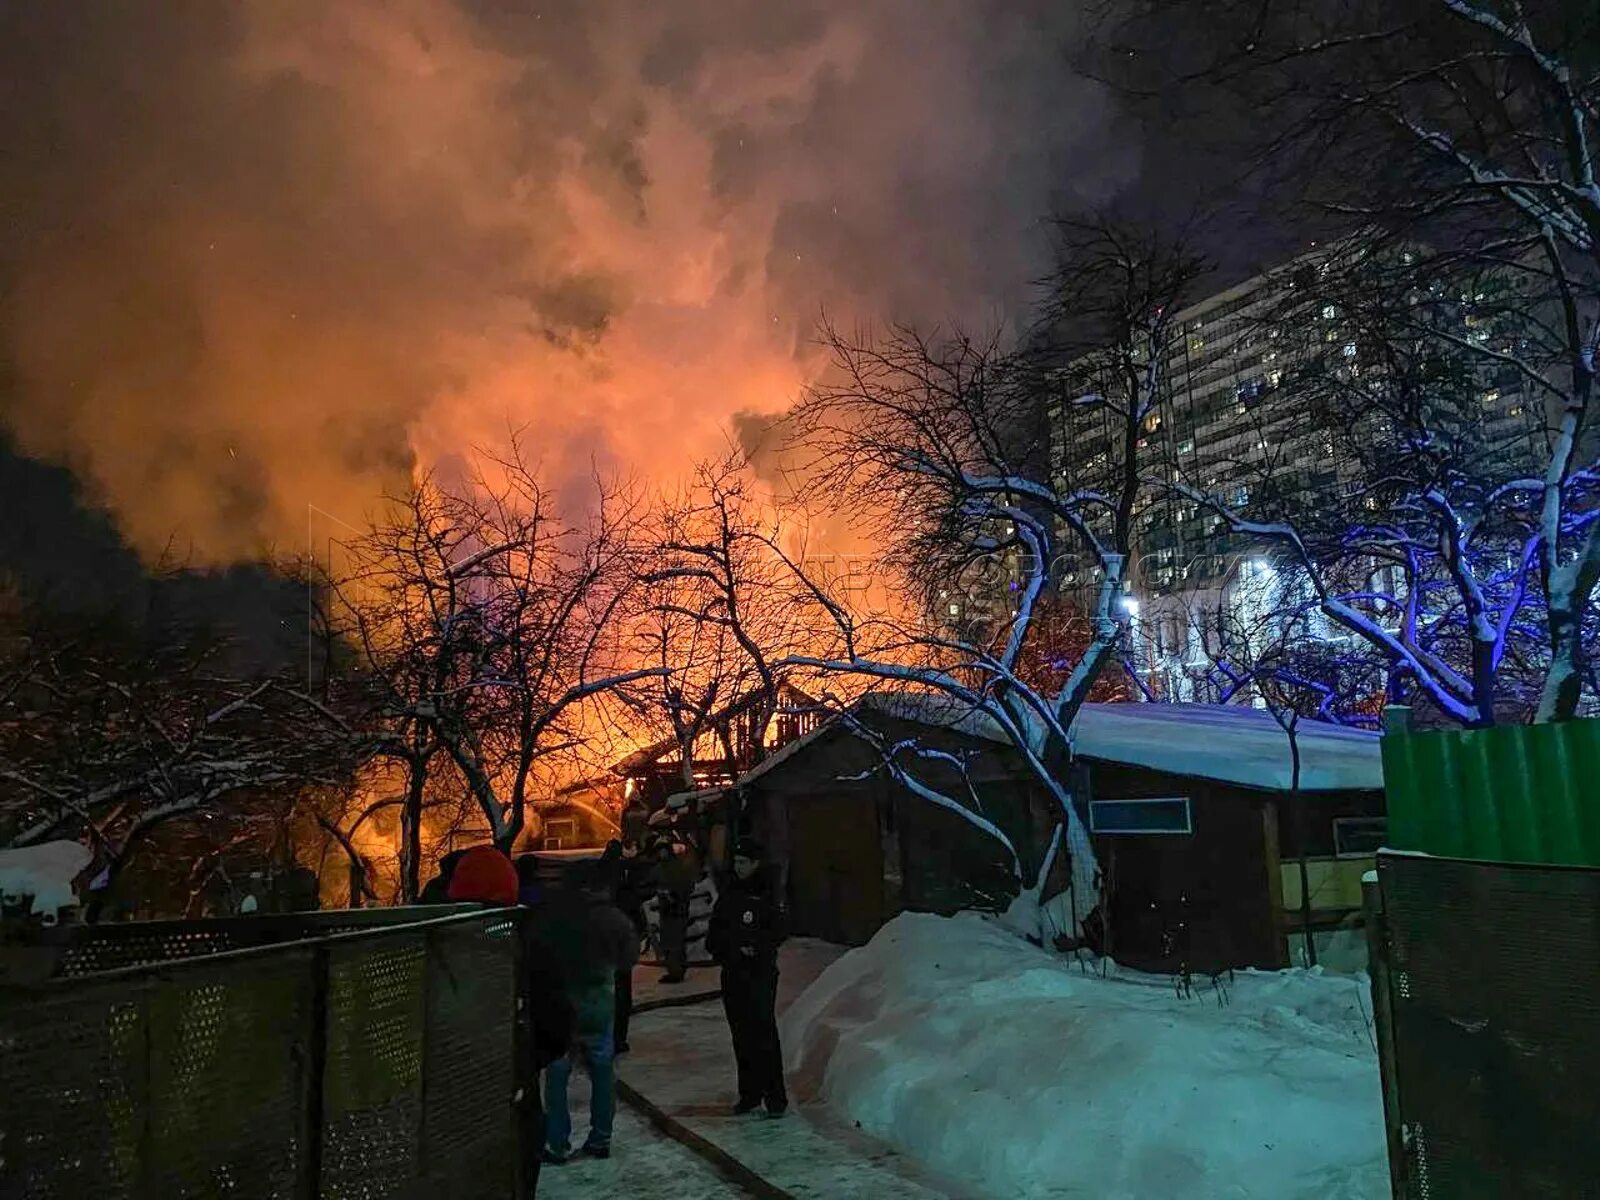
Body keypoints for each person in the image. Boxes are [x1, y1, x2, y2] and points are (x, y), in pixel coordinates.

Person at [439, 844, 570, 1195]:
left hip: (449, 1114)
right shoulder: (528, 944)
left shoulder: (436, 947)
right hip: (513, 1103)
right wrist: (526, 1060)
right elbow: (557, 1025)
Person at [534, 863, 640, 1163]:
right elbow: (629, 958)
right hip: (599, 1001)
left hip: (561, 1004)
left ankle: (557, 1142)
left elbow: (538, 954)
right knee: (603, 1072)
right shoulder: (613, 918)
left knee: (557, 1076)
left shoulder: (556, 917)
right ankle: (600, 1139)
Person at [706, 837, 788, 1117]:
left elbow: (776, 931)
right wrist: (730, 949)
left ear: (755, 863)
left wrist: (757, 949)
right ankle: (749, 1093)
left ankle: (775, 1096)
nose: (738, 867)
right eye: (737, 862)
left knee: (763, 1032)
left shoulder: (767, 894)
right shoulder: (731, 894)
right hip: (734, 974)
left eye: (744, 862)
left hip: (759, 975)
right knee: (741, 1036)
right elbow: (715, 934)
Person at [610, 839, 656, 1053]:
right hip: (619, 953)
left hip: (610, 953)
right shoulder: (626, 889)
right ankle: (618, 1039)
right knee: (620, 996)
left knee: (613, 996)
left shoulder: (604, 885)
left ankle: (612, 1039)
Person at [654, 835, 698, 983]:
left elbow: (685, 886)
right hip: (666, 910)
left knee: (675, 942)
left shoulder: (676, 867)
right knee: (668, 941)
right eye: (659, 851)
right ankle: (673, 969)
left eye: (664, 850)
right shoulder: (660, 867)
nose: (662, 854)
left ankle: (676, 971)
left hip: (676, 910)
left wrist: (673, 896)